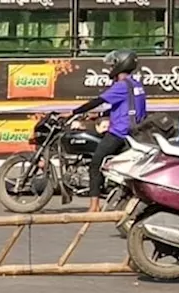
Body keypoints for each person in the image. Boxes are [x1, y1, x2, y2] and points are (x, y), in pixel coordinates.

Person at [69, 49, 146, 212]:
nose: (110, 68)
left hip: (119, 132)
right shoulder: (135, 84)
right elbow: (126, 107)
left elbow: (98, 100)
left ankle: (94, 206)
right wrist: (99, 115)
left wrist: (74, 112)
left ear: (120, 66)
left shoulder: (121, 86)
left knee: (96, 164)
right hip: (133, 132)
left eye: (113, 65)